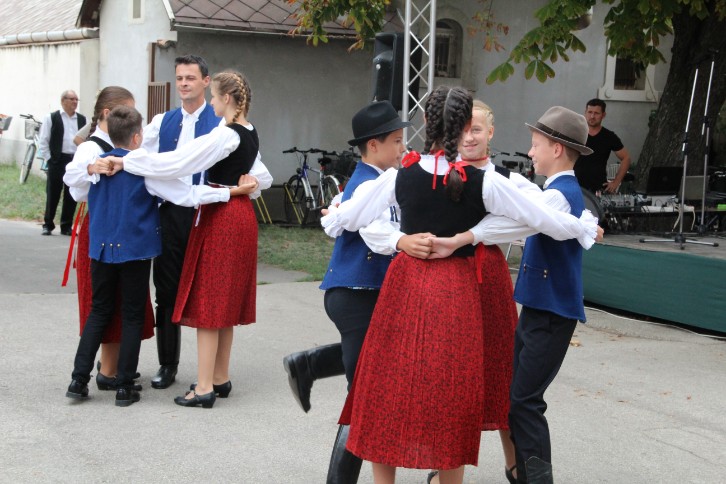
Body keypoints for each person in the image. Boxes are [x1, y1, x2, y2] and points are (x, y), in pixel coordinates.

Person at [320, 88, 599, 484]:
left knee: (391, 388)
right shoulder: (484, 181)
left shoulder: (401, 175)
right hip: (456, 288)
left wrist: (341, 213)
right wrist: (582, 226)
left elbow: (344, 221)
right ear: (464, 126)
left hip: (406, 284)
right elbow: (541, 217)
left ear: (425, 123)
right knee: (452, 392)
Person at [282, 101, 435, 483]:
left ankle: (309, 364)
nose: (402, 148)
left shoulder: (382, 177)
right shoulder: (368, 182)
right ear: (373, 145)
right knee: (364, 395)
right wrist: (402, 241)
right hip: (356, 292)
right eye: (396, 141)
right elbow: (369, 228)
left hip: (370, 292)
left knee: (375, 371)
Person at [65, 105, 245, 406]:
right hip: (135, 251)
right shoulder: (143, 171)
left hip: (101, 250)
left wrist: (90, 168)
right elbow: (187, 195)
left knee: (99, 311)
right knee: (132, 315)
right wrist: (228, 193)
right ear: (138, 137)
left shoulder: (96, 166)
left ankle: (78, 379)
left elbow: (73, 184)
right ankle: (124, 386)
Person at [112, 70, 271, 408]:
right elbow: (256, 174)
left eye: (213, 96)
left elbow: (181, 162)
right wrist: (248, 184)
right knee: (224, 301)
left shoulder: (225, 134)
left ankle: (203, 387)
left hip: (222, 215)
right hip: (241, 214)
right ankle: (220, 377)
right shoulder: (250, 130)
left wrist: (131, 162)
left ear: (226, 98)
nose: (211, 103)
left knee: (210, 301)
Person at [63, 86, 155, 390]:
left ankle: (96, 374)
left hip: (111, 232)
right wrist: (92, 168)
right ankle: (115, 377)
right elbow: (74, 186)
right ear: (108, 113)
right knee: (111, 308)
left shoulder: (134, 152)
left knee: (109, 308)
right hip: (105, 229)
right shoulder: (92, 148)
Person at [39, 90, 86, 235]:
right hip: (57, 160)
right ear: (63, 100)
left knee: (71, 193)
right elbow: (44, 140)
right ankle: (48, 224)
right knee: (53, 192)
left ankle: (66, 225)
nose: (75, 102)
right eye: (72, 99)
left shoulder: (81, 119)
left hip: (74, 159)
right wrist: (49, 159)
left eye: (76, 99)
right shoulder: (52, 117)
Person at [574, 98, 631, 194]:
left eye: (596, 113)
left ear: (603, 115)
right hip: (575, 186)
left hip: (598, 189)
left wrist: (616, 182)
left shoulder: (609, 136)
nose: (592, 116)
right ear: (585, 113)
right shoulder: (575, 133)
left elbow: (626, 158)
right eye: (590, 112)